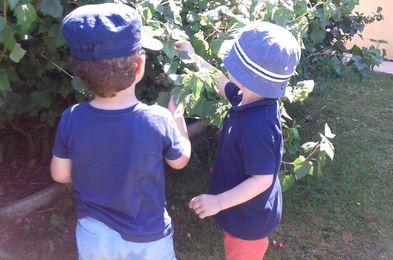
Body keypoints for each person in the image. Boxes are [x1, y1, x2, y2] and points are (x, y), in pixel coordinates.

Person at [50, 3, 191, 259]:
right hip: (148, 236)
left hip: (94, 234)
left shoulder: (72, 118)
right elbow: (179, 161)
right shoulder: (158, 119)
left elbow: (60, 174)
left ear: (80, 74)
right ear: (139, 66)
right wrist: (178, 119)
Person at [178, 21, 301, 259]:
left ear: (246, 77)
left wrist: (219, 202)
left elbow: (262, 179)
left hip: (249, 221)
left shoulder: (259, 127)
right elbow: (223, 85)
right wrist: (194, 59)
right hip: (242, 207)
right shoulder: (251, 97)